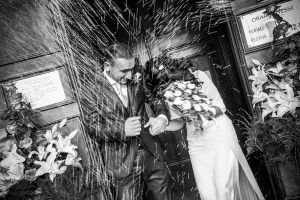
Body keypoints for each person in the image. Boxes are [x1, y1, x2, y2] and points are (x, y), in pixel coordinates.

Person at [164, 68, 265, 200]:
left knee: (225, 190)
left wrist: (199, 111)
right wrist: (163, 126)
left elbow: (220, 107)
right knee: (208, 193)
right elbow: (181, 122)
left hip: (218, 136)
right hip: (197, 145)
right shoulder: (167, 92)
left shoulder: (197, 76)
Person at [86, 43, 170, 200]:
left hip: (151, 151)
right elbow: (92, 125)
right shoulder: (92, 87)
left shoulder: (138, 74)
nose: (131, 75)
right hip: (121, 161)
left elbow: (155, 98)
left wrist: (162, 118)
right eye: (124, 71)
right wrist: (121, 130)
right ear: (107, 66)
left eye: (132, 69)